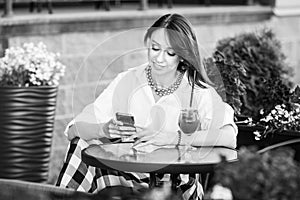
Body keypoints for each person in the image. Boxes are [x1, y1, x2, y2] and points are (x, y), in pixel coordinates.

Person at [56, 13, 237, 200]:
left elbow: (229, 137)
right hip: (129, 175)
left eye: (170, 53)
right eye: (155, 48)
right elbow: (73, 130)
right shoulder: (127, 81)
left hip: (176, 183)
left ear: (182, 57)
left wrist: (171, 137)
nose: (159, 58)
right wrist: (104, 129)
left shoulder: (197, 91)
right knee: (82, 145)